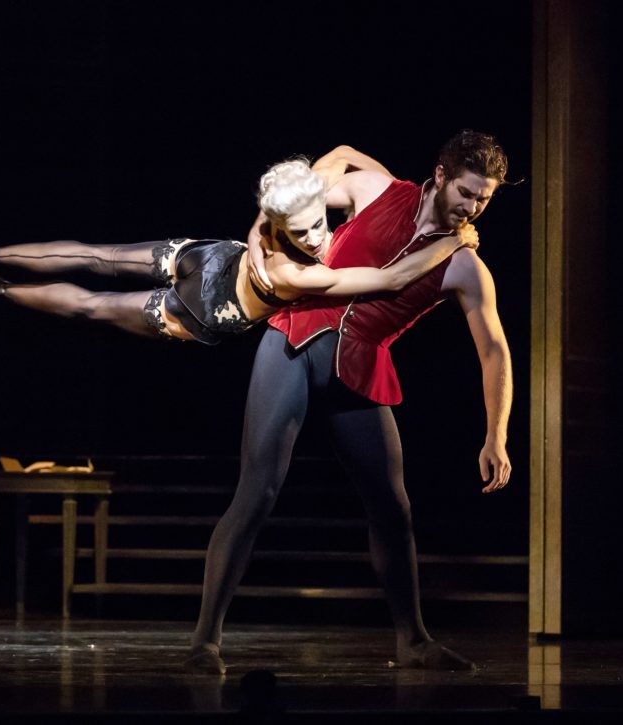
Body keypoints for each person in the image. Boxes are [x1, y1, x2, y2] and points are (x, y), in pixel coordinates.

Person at [186, 130, 514, 675]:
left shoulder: (464, 266)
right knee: (258, 489)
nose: (473, 207)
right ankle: (204, 642)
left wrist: (496, 433)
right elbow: (293, 199)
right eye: (466, 192)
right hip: (293, 341)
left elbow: (495, 351)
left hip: (359, 371)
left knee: (394, 507)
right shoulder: (377, 190)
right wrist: (261, 235)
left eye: (484, 199)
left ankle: (413, 640)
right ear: (440, 176)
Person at [0, 159, 477, 343]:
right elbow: (388, 280)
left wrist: (286, 203)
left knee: (96, 279)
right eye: (303, 231)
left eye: (319, 225)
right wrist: (453, 241)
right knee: (95, 280)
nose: (317, 238)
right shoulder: (299, 276)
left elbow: (340, 159)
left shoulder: (274, 221)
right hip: (208, 303)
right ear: (282, 228)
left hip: (212, 267)